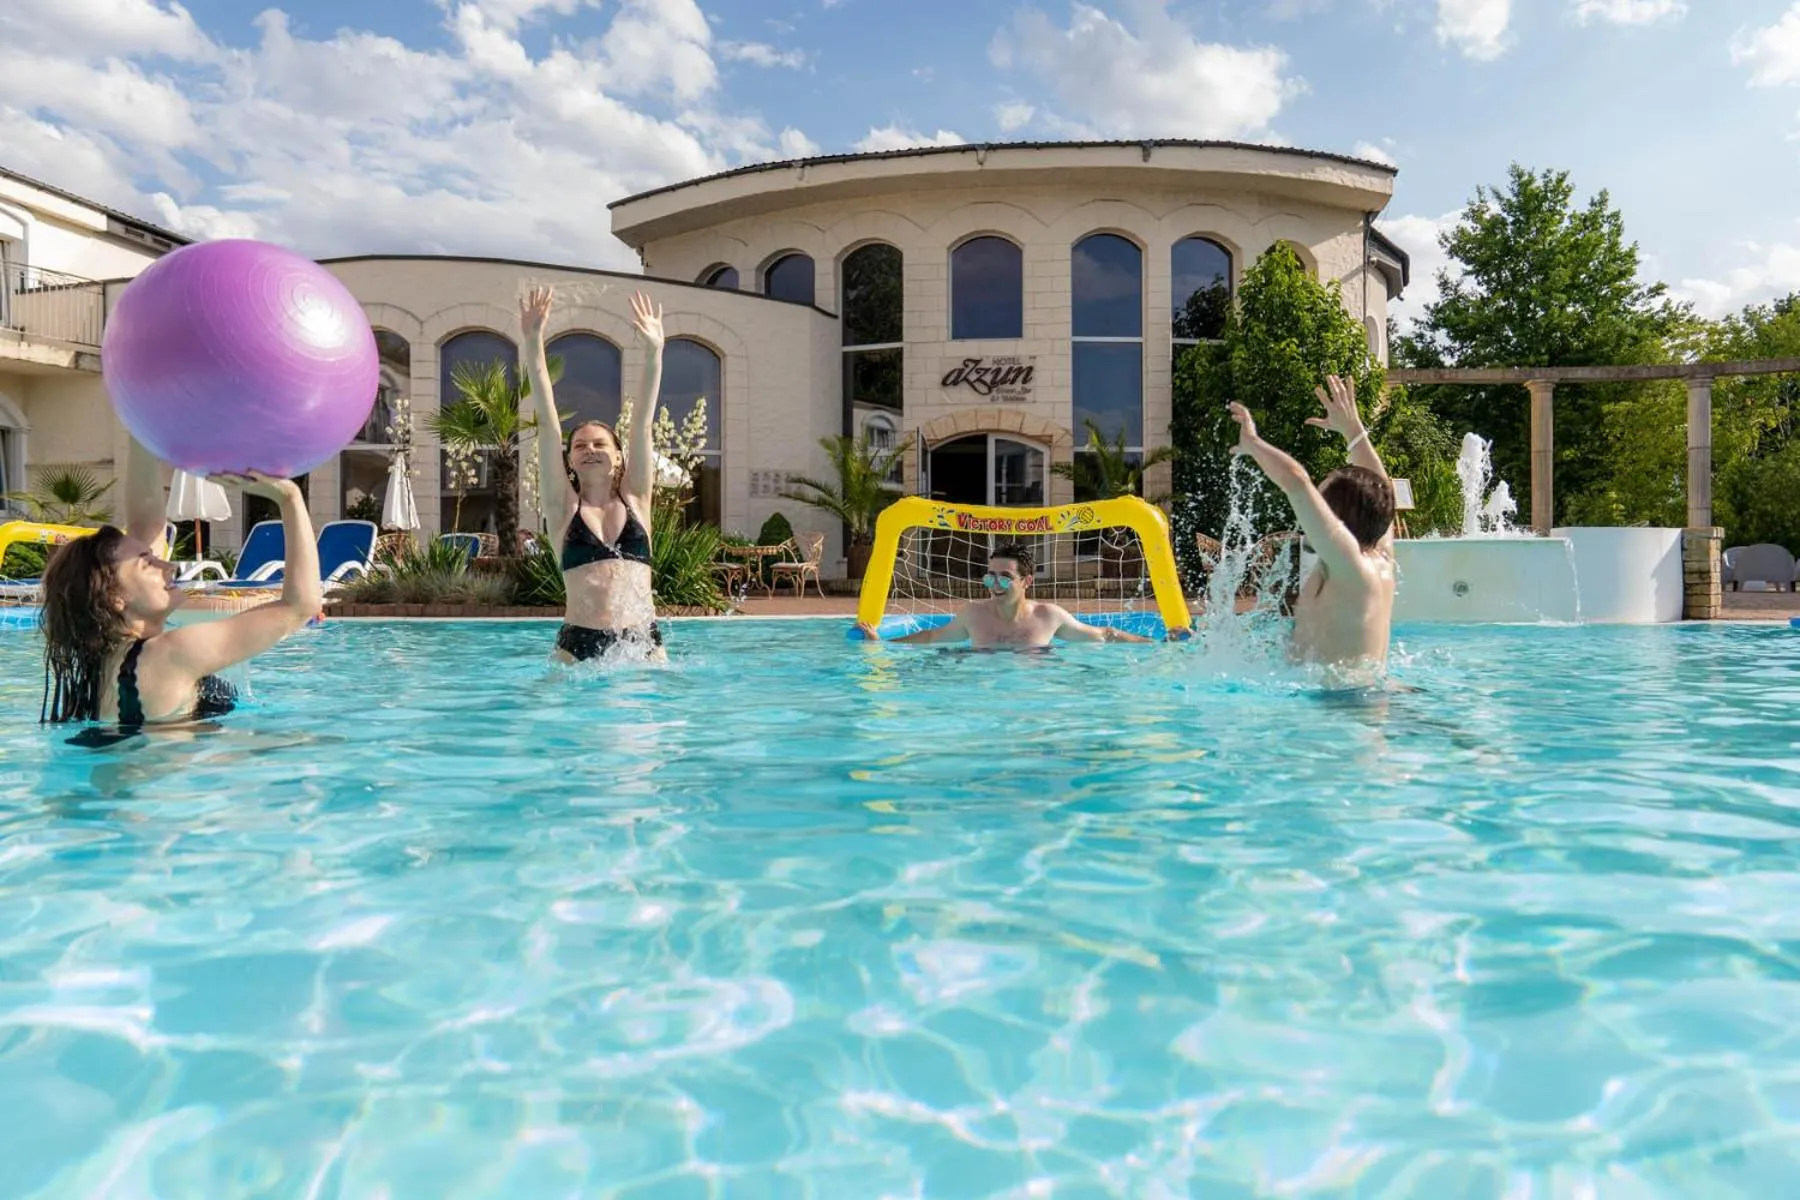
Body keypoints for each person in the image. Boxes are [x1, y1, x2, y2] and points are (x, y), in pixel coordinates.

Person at [38, 434, 321, 737]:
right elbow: (300, 605)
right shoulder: (171, 654)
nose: (168, 565)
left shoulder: (104, 664)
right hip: (182, 781)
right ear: (115, 598)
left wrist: (140, 425)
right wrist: (289, 498)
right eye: (148, 563)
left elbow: (144, 525)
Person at [521, 284, 668, 663]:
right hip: (578, 644)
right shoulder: (563, 507)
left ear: (619, 456)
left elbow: (643, 424)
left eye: (600, 444)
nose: (590, 450)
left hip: (641, 641)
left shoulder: (636, 498)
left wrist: (654, 351)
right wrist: (533, 340)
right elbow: (549, 423)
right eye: (581, 446)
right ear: (569, 461)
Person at [1225, 374, 1396, 671]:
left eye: (1320, 500)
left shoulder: (1350, 566)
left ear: (1336, 519)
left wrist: (1253, 443)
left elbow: (1295, 481)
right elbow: (1383, 490)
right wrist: (1353, 431)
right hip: (1354, 698)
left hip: (1339, 708)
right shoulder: (1379, 557)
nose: (1311, 512)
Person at [856, 542, 1156, 648]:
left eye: (1004, 577)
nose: (994, 583)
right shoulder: (973, 614)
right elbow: (932, 637)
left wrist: (1158, 644)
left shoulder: (1048, 616)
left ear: (1026, 581)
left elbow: (1104, 635)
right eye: (990, 575)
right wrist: (882, 644)